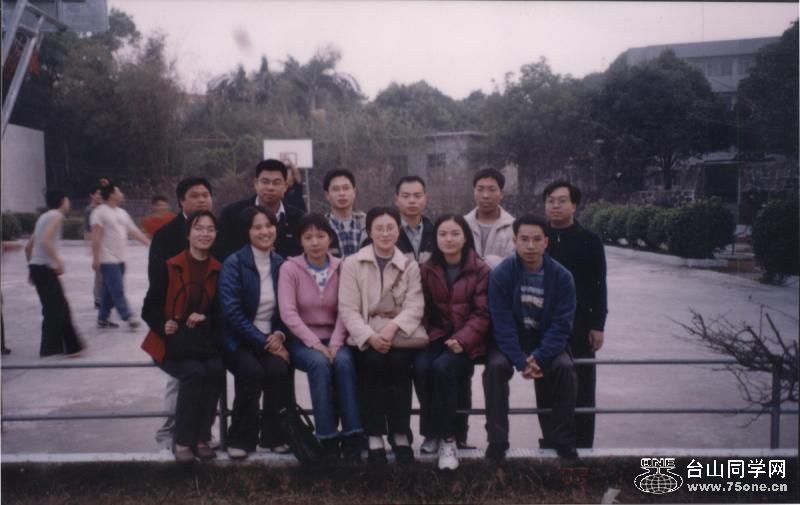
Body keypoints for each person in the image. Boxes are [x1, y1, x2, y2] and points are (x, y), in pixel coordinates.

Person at [483, 214, 578, 463]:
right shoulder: (501, 274)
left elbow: (561, 325)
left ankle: (563, 439)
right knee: (495, 367)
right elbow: (502, 323)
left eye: (537, 239)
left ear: (546, 241)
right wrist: (520, 359)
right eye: (524, 239)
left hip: (545, 341)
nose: (531, 245)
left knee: (565, 367)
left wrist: (539, 356)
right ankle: (497, 441)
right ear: (514, 241)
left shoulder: (562, 277)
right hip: (510, 341)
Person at [338, 206, 425, 466]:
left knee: (400, 365)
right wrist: (370, 337)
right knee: (372, 364)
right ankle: (374, 434)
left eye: (390, 228)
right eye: (379, 228)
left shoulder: (409, 265)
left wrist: (391, 328)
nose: (385, 233)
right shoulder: (352, 263)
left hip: (397, 334)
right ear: (369, 232)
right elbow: (348, 309)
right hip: (365, 335)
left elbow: (415, 306)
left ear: (398, 231)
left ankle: (400, 433)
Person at [140, 210, 224, 462]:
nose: (204, 234)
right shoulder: (170, 265)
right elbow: (148, 308)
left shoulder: (218, 268)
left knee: (215, 369)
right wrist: (162, 324)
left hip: (201, 343)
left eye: (210, 229)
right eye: (199, 228)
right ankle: (183, 440)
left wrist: (204, 317)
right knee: (193, 372)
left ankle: (202, 437)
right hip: (170, 343)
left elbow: (221, 312)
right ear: (188, 234)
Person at [279, 213, 364, 463]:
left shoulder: (343, 267)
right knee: (318, 364)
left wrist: (335, 343)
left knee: (345, 362)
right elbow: (288, 312)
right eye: (308, 237)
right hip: (303, 341)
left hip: (336, 337)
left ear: (330, 238)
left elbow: (347, 308)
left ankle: (353, 435)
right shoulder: (289, 269)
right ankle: (327, 437)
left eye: (320, 236)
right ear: (300, 241)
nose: (315, 242)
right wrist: (315, 344)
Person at [414, 214, 490, 470]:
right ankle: (432, 433)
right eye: (443, 234)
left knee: (443, 368)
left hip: (470, 341)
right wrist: (431, 335)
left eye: (455, 233)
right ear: (435, 238)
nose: (449, 239)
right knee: (421, 366)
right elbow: (423, 309)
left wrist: (462, 339)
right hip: (438, 337)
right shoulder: (427, 269)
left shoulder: (480, 270)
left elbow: (483, 313)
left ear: (465, 237)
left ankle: (448, 439)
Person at [218, 206, 292, 459]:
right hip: (238, 340)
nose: (265, 231)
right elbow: (232, 313)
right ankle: (240, 438)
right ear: (247, 231)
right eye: (257, 227)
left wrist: (279, 335)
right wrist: (265, 342)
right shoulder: (234, 263)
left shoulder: (281, 264)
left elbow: (288, 308)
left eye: (269, 226)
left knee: (278, 370)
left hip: (270, 338)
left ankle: (273, 436)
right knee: (252, 372)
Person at [543, 181, 607, 449]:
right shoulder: (539, 238)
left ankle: (583, 445)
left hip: (580, 325)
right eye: (550, 201)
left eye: (562, 201)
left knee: (582, 386)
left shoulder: (590, 241)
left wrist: (598, 325)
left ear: (574, 205)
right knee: (546, 387)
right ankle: (550, 442)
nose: (555, 206)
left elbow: (599, 285)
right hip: (545, 326)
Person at [25, 189, 85, 357]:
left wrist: (31, 268)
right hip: (45, 268)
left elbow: (28, 247)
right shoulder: (57, 215)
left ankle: (68, 348)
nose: (69, 203)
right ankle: (54, 349)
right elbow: (45, 241)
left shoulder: (43, 217)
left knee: (57, 308)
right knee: (57, 309)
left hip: (38, 267)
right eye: (67, 199)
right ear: (63, 201)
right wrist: (58, 261)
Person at [90, 183, 150, 330]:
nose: (121, 194)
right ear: (111, 194)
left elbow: (133, 231)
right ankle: (128, 316)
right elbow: (96, 236)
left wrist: (149, 243)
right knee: (117, 289)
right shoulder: (99, 212)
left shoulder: (122, 213)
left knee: (108, 291)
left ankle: (102, 319)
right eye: (119, 191)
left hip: (121, 258)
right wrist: (96, 258)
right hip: (106, 259)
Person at [218, 159, 304, 260]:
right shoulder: (232, 214)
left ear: (285, 186)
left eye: (276, 183)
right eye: (265, 182)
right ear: (256, 183)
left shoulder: (299, 219)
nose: (270, 187)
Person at [464, 168, 515, 268]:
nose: (485, 195)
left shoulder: (513, 227)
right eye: (480, 189)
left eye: (492, 190)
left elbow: (513, 264)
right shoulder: (463, 224)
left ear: (501, 194)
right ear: (474, 192)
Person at [323, 169, 367, 258]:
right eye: (336, 189)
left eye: (346, 188)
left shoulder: (368, 224)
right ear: (327, 195)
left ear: (354, 192)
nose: (342, 193)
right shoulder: (321, 227)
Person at [394, 176, 435, 264]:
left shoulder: (436, 233)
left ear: (425, 199)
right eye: (406, 196)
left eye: (417, 196)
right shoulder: (387, 234)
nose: (412, 201)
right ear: (396, 200)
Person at [84, 185, 104, 308]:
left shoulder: (102, 208)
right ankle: (98, 299)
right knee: (99, 274)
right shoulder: (90, 210)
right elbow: (88, 231)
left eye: (101, 194)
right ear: (92, 195)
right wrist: (92, 247)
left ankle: (103, 297)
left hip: (106, 245)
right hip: (98, 244)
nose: (100, 196)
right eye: (98, 194)